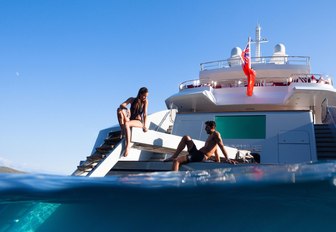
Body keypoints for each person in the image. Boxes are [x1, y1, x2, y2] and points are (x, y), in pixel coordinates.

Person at [164, 120, 235, 171]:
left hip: (200, 156)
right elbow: (216, 152)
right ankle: (174, 156)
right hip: (196, 153)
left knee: (176, 161)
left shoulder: (216, 134)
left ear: (212, 127)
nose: (205, 129)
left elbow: (221, 146)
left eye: (207, 127)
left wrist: (227, 159)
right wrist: (217, 161)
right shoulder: (211, 138)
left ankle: (174, 182)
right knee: (186, 137)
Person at [117, 87, 149, 157]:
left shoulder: (145, 102)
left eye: (146, 96)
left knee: (127, 124)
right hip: (131, 119)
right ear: (140, 94)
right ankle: (123, 130)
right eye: (144, 96)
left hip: (139, 122)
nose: (145, 97)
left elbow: (145, 114)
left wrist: (145, 126)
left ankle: (128, 145)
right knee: (119, 110)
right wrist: (126, 108)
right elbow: (122, 105)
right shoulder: (132, 99)